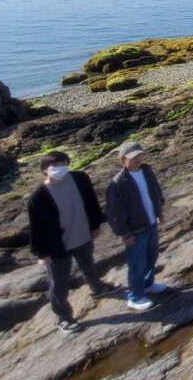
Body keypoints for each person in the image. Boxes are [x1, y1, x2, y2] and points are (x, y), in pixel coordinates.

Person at [28, 151, 117, 333]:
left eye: (64, 164)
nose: (60, 169)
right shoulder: (38, 196)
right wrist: (41, 253)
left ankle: (97, 288)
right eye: (55, 167)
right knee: (59, 282)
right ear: (45, 170)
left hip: (82, 234)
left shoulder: (79, 178)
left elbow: (92, 201)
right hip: (57, 247)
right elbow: (36, 227)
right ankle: (63, 317)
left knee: (88, 264)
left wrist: (96, 224)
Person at [106, 140, 167, 311]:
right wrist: (124, 234)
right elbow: (114, 213)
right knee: (136, 264)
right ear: (122, 160)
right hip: (135, 229)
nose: (138, 159)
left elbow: (155, 191)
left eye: (140, 155)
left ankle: (148, 284)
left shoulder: (147, 170)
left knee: (152, 255)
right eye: (133, 157)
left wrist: (159, 210)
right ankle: (134, 296)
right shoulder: (118, 183)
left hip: (151, 223)